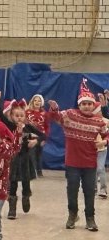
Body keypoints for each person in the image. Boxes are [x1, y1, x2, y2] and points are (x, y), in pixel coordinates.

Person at [48, 79, 109, 232]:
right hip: (72, 163)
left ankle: (90, 218)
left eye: (89, 103)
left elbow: (106, 134)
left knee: (89, 191)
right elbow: (55, 118)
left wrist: (104, 142)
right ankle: (72, 215)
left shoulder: (98, 122)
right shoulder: (70, 115)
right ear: (79, 104)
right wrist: (54, 109)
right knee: (72, 190)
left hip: (90, 163)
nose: (87, 106)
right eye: (84, 103)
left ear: (93, 105)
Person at [0, 100, 46, 219]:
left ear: (25, 116)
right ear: (11, 116)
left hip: (25, 158)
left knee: (26, 182)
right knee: (12, 184)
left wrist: (35, 141)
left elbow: (43, 135)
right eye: (16, 115)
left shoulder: (28, 127)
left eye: (21, 115)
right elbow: (1, 116)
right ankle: (12, 209)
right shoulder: (9, 126)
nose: (19, 118)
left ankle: (26, 197)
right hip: (13, 159)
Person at [26, 94, 50, 177]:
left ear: (41, 103)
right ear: (32, 101)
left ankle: (39, 171)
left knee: (38, 155)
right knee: (30, 154)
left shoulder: (44, 114)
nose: (37, 102)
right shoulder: (27, 112)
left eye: (39, 100)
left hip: (40, 137)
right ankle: (31, 171)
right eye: (35, 100)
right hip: (30, 136)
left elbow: (47, 127)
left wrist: (44, 139)